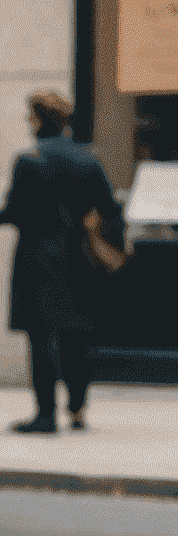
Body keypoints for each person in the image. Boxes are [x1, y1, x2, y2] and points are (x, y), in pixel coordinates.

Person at [2, 90, 123, 434]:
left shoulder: (28, 161)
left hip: (37, 258)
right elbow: (111, 210)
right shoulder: (89, 160)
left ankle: (45, 415)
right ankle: (77, 408)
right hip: (79, 257)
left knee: (41, 337)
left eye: (30, 117)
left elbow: (12, 212)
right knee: (77, 335)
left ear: (39, 119)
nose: (29, 123)